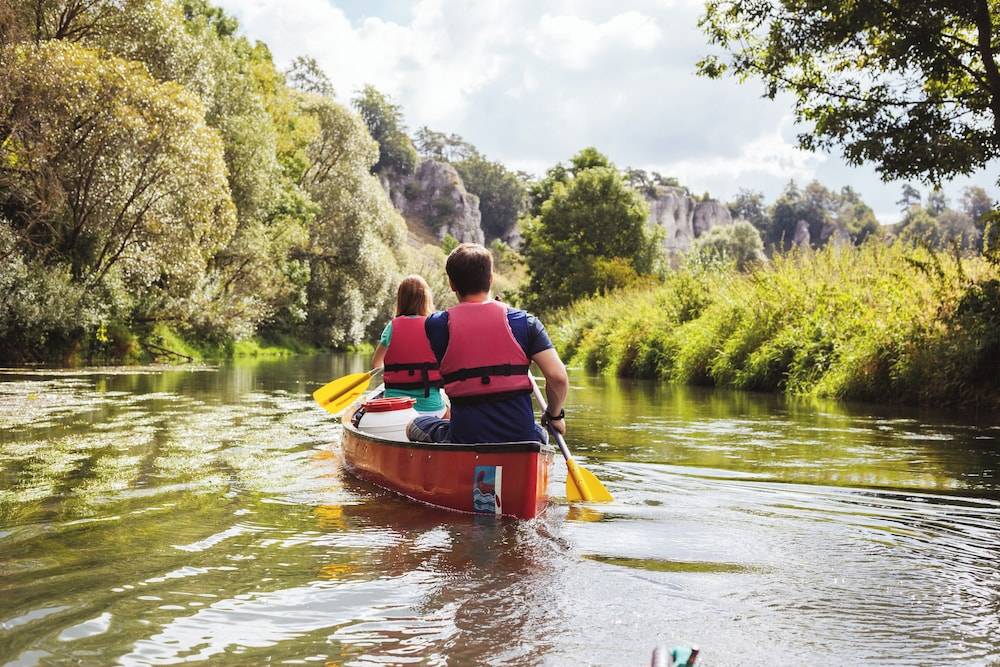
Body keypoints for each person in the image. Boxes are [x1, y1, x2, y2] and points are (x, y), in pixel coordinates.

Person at [406, 243, 568, 444]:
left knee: (414, 425)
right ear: (490, 280)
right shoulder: (526, 322)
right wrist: (554, 416)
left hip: (465, 439)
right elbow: (558, 377)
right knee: (539, 433)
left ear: (452, 284)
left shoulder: (436, 325)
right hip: (520, 440)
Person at [371, 275, 448, 416]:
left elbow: (376, 363)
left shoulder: (392, 327)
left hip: (395, 408)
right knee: (449, 410)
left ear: (401, 300)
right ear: (426, 299)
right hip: (431, 409)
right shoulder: (434, 326)